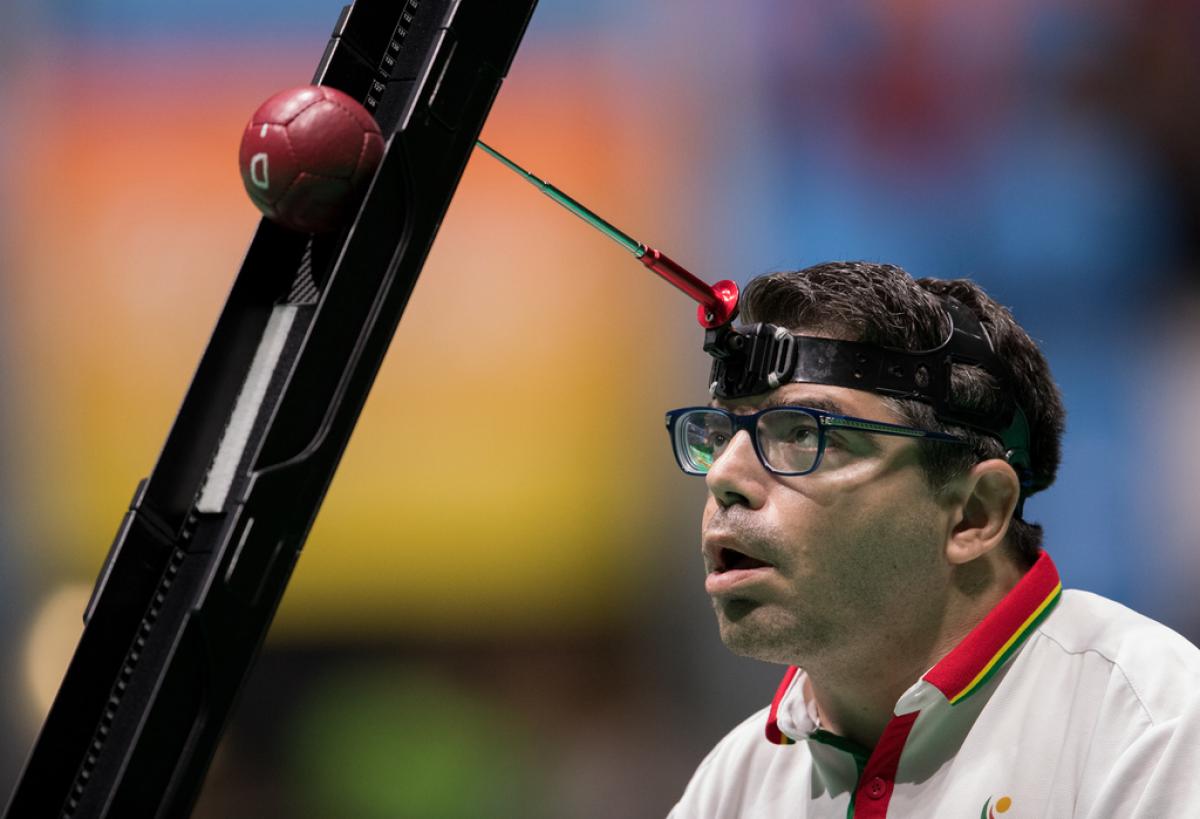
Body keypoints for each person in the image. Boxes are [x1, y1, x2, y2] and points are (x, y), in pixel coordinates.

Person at [666, 262, 1200, 818]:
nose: (723, 476)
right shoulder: (733, 788)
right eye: (724, 434)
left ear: (974, 513)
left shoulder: (1155, 732)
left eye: (805, 434)